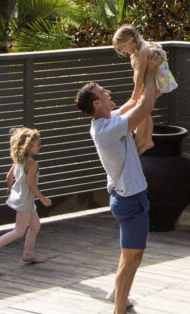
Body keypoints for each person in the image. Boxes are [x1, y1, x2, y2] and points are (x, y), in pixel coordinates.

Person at [75, 50, 162, 314]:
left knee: (135, 255)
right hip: (130, 200)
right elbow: (144, 107)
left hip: (133, 197)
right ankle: (118, 309)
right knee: (130, 258)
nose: (108, 92)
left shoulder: (108, 120)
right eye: (103, 92)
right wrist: (148, 72)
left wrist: (148, 69)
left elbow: (137, 100)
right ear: (97, 105)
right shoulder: (106, 129)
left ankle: (119, 297)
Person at [0, 127, 52, 266]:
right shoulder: (32, 164)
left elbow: (9, 176)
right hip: (25, 201)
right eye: (38, 144)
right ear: (29, 146)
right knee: (19, 231)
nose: (40, 146)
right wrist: (43, 199)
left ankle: (28, 255)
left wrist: (9, 189)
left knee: (35, 225)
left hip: (23, 200)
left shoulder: (19, 160)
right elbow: (31, 185)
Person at [112, 24, 178, 155]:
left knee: (142, 108)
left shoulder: (143, 49)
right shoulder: (137, 50)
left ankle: (139, 141)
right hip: (151, 82)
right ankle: (147, 140)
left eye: (123, 48)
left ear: (130, 42)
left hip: (158, 82)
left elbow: (141, 73)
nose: (123, 51)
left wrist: (135, 94)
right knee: (143, 109)